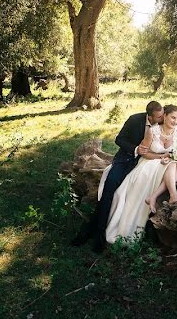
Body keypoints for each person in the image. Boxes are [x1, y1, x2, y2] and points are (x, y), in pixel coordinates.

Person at [70, 100, 164, 253]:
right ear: (150, 116)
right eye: (159, 116)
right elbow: (119, 139)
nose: (162, 118)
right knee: (108, 191)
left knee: (124, 194)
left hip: (143, 166)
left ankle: (100, 230)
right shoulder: (135, 120)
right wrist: (135, 149)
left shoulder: (162, 124)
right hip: (124, 160)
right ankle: (96, 234)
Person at [103, 104, 177, 244]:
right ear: (165, 116)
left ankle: (158, 196)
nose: (175, 121)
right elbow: (145, 153)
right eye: (173, 117)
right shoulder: (153, 131)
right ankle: (171, 195)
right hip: (150, 161)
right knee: (168, 165)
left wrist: (173, 156)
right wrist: (162, 157)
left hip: (170, 163)